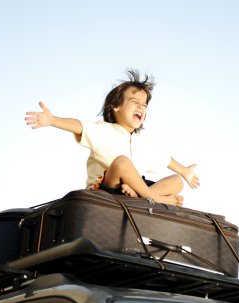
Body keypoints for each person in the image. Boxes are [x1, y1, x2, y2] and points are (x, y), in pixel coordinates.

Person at [25, 69, 200, 206]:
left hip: (133, 189)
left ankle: (140, 195)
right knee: (122, 162)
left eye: (144, 105)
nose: (141, 107)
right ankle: (152, 197)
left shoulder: (142, 142)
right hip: (107, 189)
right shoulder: (104, 130)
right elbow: (79, 126)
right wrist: (53, 120)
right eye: (134, 102)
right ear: (116, 106)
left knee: (177, 182)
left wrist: (184, 171)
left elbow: (165, 159)